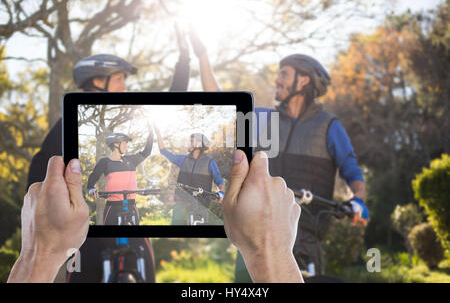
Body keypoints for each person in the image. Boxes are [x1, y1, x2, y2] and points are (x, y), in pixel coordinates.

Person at [188, 30, 369, 280]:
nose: (277, 80)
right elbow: (221, 102)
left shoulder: (328, 126)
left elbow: (351, 171)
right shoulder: (265, 120)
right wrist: (203, 55)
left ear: (303, 81)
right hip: (256, 229)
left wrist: (357, 200)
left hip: (305, 233)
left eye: (284, 74)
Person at [26, 27, 190, 283]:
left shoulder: (131, 112)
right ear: (97, 81)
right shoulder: (71, 123)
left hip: (129, 215)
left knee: (144, 261)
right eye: (118, 80)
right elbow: (41, 168)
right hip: (88, 225)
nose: (125, 87)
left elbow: (173, 99)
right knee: (78, 270)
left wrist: (184, 59)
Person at [9, 151, 303, 283]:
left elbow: (153, 149)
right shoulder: (104, 162)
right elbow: (95, 178)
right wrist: (272, 253)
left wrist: (37, 256)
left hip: (157, 203)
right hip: (113, 205)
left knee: (145, 244)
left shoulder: (136, 159)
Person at [155, 127, 225, 225]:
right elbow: (164, 151)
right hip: (182, 200)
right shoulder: (183, 159)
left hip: (201, 203)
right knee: (177, 224)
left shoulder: (209, 162)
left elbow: (219, 181)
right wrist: (158, 133)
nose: (188, 144)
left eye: (191, 142)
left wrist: (221, 193)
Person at [87, 131, 153, 225]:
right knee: (109, 239)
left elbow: (147, 152)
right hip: (113, 207)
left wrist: (151, 133)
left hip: (131, 205)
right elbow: (93, 176)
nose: (126, 146)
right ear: (116, 143)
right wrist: (91, 189)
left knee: (138, 239)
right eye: (124, 143)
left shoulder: (131, 160)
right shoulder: (105, 162)